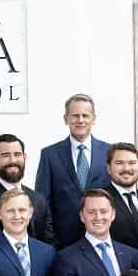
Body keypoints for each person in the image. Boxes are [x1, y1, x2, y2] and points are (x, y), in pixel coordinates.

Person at [35, 93, 112, 249]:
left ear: (94, 118)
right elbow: (43, 202)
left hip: (102, 238)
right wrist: (50, 240)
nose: (80, 120)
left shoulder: (110, 152)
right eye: (75, 115)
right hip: (63, 242)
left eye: (85, 115)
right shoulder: (50, 154)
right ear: (66, 119)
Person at [0, 133, 56, 245]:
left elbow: (49, 244)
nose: (12, 160)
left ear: (25, 157)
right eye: (5, 155)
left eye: (17, 154)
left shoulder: (38, 199)